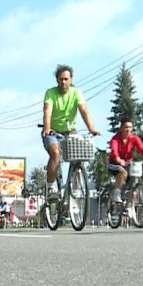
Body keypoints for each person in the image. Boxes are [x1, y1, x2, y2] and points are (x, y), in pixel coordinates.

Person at [41, 64, 101, 198]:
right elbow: (47, 112)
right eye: (61, 79)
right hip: (53, 132)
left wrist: (91, 129)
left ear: (71, 80)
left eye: (66, 79)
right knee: (55, 154)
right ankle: (51, 188)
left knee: (80, 154)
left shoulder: (76, 92)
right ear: (57, 80)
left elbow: (84, 111)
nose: (64, 82)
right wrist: (47, 127)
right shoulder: (50, 93)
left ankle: (75, 189)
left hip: (69, 132)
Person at [106, 119, 143, 203]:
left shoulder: (134, 138)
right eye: (126, 127)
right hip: (114, 163)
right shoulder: (115, 139)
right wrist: (119, 160)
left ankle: (129, 205)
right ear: (121, 128)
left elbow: (142, 149)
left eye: (130, 127)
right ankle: (116, 194)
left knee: (133, 181)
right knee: (123, 173)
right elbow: (114, 151)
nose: (128, 129)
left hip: (128, 164)